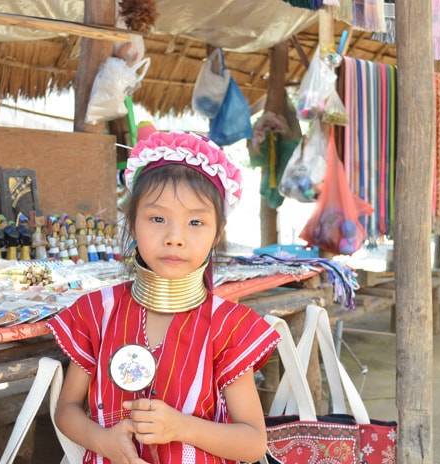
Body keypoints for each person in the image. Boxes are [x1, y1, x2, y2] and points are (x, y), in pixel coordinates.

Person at [47, 129, 280, 464]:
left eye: (196, 222)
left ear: (218, 234)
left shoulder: (228, 326)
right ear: (132, 222)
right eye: (157, 218)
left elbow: (253, 442)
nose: (175, 238)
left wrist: (181, 427)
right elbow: (67, 410)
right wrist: (103, 441)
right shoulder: (97, 312)